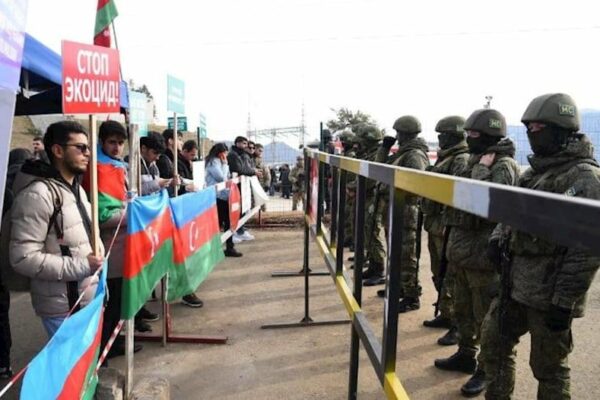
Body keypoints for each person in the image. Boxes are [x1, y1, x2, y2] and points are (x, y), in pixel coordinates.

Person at [480, 93, 600, 399]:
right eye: (529, 128)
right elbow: (510, 215)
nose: (532, 135)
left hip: (549, 293)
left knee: (548, 368)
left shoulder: (584, 178)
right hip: (513, 284)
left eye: (537, 128)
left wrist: (565, 301)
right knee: (493, 346)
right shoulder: (535, 172)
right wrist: (497, 242)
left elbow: (584, 248)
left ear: (560, 129)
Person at [434, 109, 520, 397]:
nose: (468, 139)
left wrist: (481, 171)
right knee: (463, 311)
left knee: (487, 321)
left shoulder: (502, 165)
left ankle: (484, 369)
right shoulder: (474, 159)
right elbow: (456, 194)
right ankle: (465, 354)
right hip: (461, 251)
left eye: (473, 135)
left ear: (488, 135)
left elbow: (489, 206)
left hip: (483, 259)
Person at [9, 121, 104, 338]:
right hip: (64, 307)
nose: (88, 153)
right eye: (80, 148)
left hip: (86, 299)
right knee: (72, 372)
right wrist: (82, 266)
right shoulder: (38, 195)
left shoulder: (75, 189)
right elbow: (22, 258)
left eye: (88, 148)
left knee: (87, 371)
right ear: (58, 150)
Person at [92, 121, 145, 357]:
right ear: (102, 142)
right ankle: (106, 348)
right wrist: (134, 211)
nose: (116, 147)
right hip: (110, 248)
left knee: (120, 299)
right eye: (112, 142)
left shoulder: (117, 167)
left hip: (125, 246)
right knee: (112, 302)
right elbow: (102, 216)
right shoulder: (98, 171)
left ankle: (116, 340)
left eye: (120, 142)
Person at [421, 116, 469, 345]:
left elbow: (457, 192)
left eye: (443, 135)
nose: (439, 139)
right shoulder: (446, 157)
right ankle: (446, 312)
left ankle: (457, 325)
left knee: (451, 277)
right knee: (439, 273)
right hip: (436, 224)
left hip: (447, 224)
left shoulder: (460, 159)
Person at [373, 116, 429, 312]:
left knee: (407, 255)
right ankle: (400, 288)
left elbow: (417, 183)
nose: (396, 136)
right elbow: (379, 170)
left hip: (406, 209)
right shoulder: (403, 152)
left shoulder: (414, 155)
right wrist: (384, 149)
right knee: (396, 252)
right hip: (395, 207)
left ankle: (412, 296)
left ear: (405, 133)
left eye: (398, 133)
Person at [351, 124, 385, 285]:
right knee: (367, 231)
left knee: (373, 233)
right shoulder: (369, 154)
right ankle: (373, 265)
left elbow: (371, 178)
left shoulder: (377, 154)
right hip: (366, 197)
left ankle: (378, 268)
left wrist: (355, 186)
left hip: (373, 198)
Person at [205, 143, 242, 257]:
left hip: (224, 195)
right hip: (217, 196)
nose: (226, 155)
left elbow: (227, 176)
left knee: (227, 221)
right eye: (225, 153)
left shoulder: (218, 162)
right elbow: (221, 177)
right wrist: (225, 164)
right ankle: (214, 248)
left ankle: (228, 247)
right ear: (220, 153)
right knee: (220, 222)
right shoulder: (213, 162)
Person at [227, 136, 258, 242]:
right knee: (236, 210)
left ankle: (240, 230)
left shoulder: (241, 155)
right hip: (236, 186)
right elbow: (240, 169)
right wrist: (253, 172)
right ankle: (235, 232)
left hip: (242, 186)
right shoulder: (233, 155)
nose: (246, 146)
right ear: (237, 143)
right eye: (244, 144)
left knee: (242, 209)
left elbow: (245, 168)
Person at [253, 144, 271, 211]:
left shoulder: (262, 162)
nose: (261, 152)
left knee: (263, 204)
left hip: (261, 185)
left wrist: (267, 184)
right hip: (252, 186)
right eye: (259, 150)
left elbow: (267, 174)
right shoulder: (250, 159)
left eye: (262, 151)